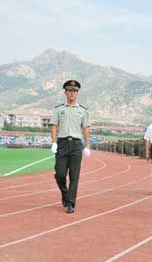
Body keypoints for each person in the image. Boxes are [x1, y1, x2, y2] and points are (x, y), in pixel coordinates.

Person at [50, 79, 91, 214]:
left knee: (74, 176)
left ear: (77, 93)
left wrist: (87, 146)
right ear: (65, 92)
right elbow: (54, 126)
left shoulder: (83, 111)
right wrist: (54, 142)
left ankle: (70, 203)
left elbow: (85, 129)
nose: (72, 93)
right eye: (69, 90)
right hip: (62, 144)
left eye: (74, 91)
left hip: (76, 145)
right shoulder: (58, 109)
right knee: (60, 174)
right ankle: (65, 194)